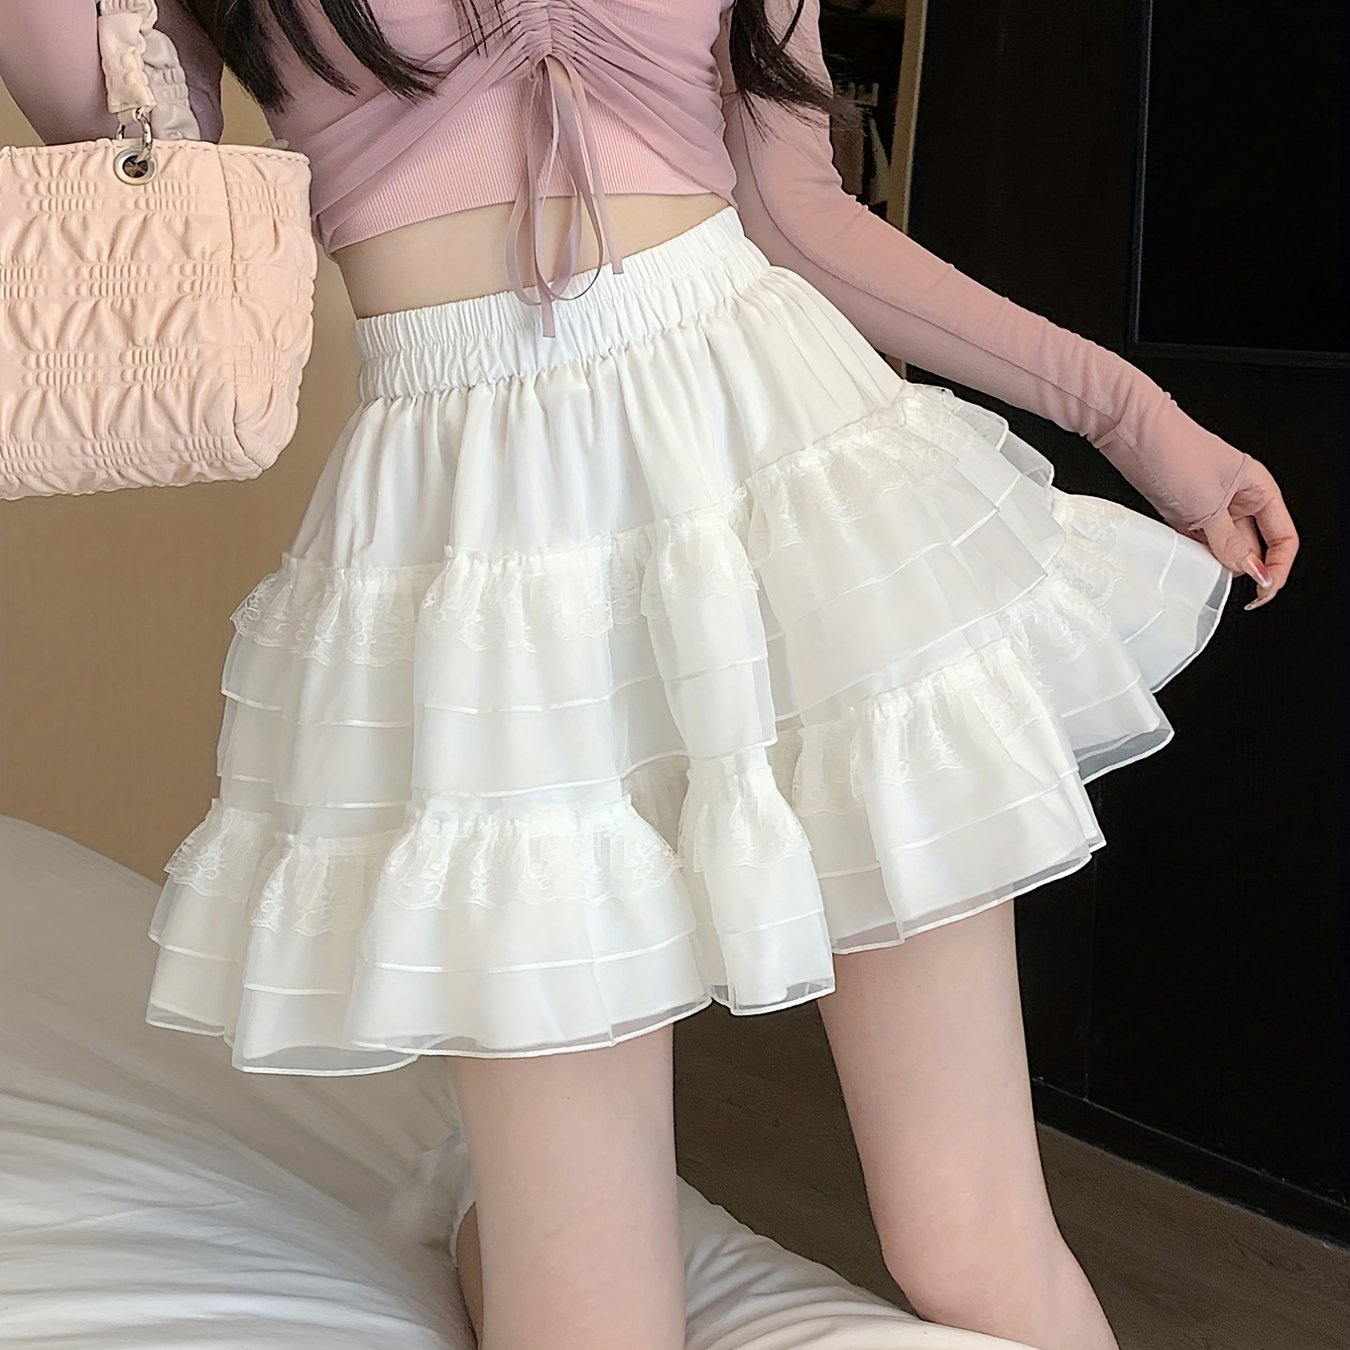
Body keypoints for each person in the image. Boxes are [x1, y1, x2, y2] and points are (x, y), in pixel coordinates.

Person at [0, 3, 1298, 1349]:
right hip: (473, 533)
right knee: (593, 1320)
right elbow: (133, 152)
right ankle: (495, 1221)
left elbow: (796, 213)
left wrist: (1134, 418)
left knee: (971, 1242)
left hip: (787, 469)